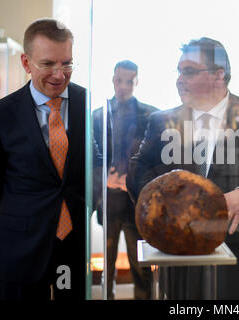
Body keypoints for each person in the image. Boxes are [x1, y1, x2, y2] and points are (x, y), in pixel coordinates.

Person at [127, 37, 239, 299]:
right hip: (179, 258)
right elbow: (138, 171)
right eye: (178, 71)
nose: (179, 79)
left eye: (188, 71)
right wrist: (163, 203)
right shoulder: (162, 121)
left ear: (218, 75)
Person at [0, 18, 87, 300]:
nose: (59, 74)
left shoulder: (88, 103)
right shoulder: (0, 115)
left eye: (67, 63)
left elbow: (93, 165)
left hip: (72, 244)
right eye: (48, 64)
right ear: (25, 62)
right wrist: (24, 215)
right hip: (20, 246)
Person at [93, 60, 158, 299]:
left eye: (129, 81)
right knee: (106, 263)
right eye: (119, 80)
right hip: (108, 200)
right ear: (113, 80)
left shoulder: (150, 114)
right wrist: (104, 179)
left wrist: (133, 179)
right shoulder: (98, 114)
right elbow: (93, 157)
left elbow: (153, 158)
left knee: (140, 263)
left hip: (134, 201)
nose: (123, 86)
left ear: (136, 82)